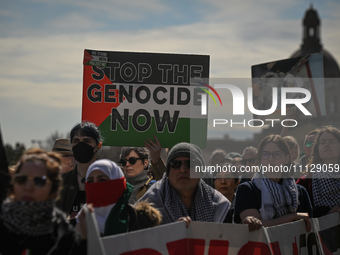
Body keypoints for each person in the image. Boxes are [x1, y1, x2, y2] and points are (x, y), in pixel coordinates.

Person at [0, 148, 86, 255]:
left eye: (39, 181)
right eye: (21, 179)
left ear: (53, 192)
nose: (28, 187)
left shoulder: (64, 236)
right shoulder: (3, 225)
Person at [138, 142, 231, 224]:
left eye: (190, 164)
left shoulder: (220, 205)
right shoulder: (152, 200)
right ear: (168, 173)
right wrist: (171, 232)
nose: (182, 169)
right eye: (176, 164)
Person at [234, 135, 312, 232]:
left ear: (287, 158)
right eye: (265, 154)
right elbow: (256, 227)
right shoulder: (246, 190)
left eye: (277, 154)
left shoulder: (300, 192)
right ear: (260, 160)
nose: (270, 159)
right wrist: (291, 217)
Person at [78, 159, 161, 236]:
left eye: (102, 180)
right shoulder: (78, 224)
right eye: (90, 181)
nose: (95, 185)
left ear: (117, 184)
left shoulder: (141, 220)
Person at [56, 122, 102, 219]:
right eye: (76, 141)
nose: (81, 145)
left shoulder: (109, 180)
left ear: (98, 146)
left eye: (87, 141)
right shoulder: (60, 183)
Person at [297, 126, 340, 217]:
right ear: (317, 149)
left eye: (332, 142)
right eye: (322, 142)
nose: (326, 145)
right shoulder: (305, 182)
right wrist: (325, 214)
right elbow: (297, 214)